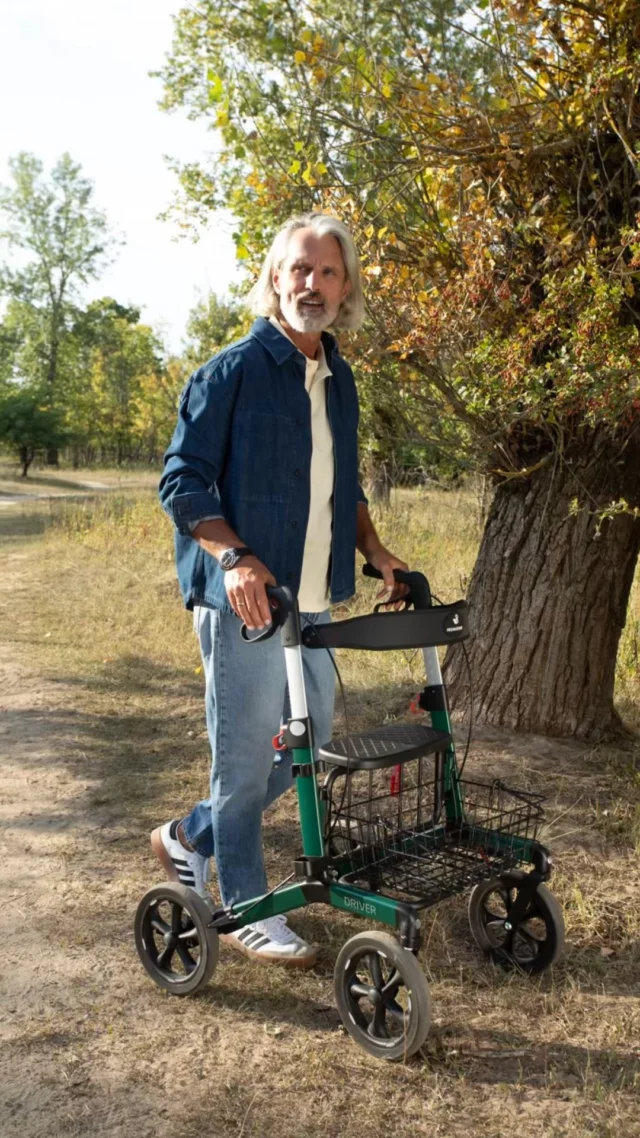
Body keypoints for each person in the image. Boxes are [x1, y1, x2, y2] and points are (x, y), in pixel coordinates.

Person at [153, 212, 408, 968]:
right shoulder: (230, 372)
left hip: (313, 599)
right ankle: (246, 905)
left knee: (312, 741)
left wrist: (375, 550)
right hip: (247, 602)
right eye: (300, 268)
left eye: (328, 272)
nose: (313, 284)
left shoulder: (339, 378)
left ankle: (189, 836)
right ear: (275, 277)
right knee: (242, 761)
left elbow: (341, 484)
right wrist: (233, 558)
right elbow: (182, 481)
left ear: (346, 287)